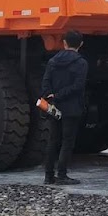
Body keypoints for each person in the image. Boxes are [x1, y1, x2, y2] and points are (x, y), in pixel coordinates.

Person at [39, 30, 89, 186]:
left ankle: (48, 176)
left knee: (53, 140)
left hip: (55, 107)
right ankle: (62, 174)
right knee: (67, 142)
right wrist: (60, 95)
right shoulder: (81, 63)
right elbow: (78, 86)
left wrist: (51, 97)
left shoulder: (53, 61)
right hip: (72, 107)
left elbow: (45, 82)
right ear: (81, 44)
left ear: (64, 43)